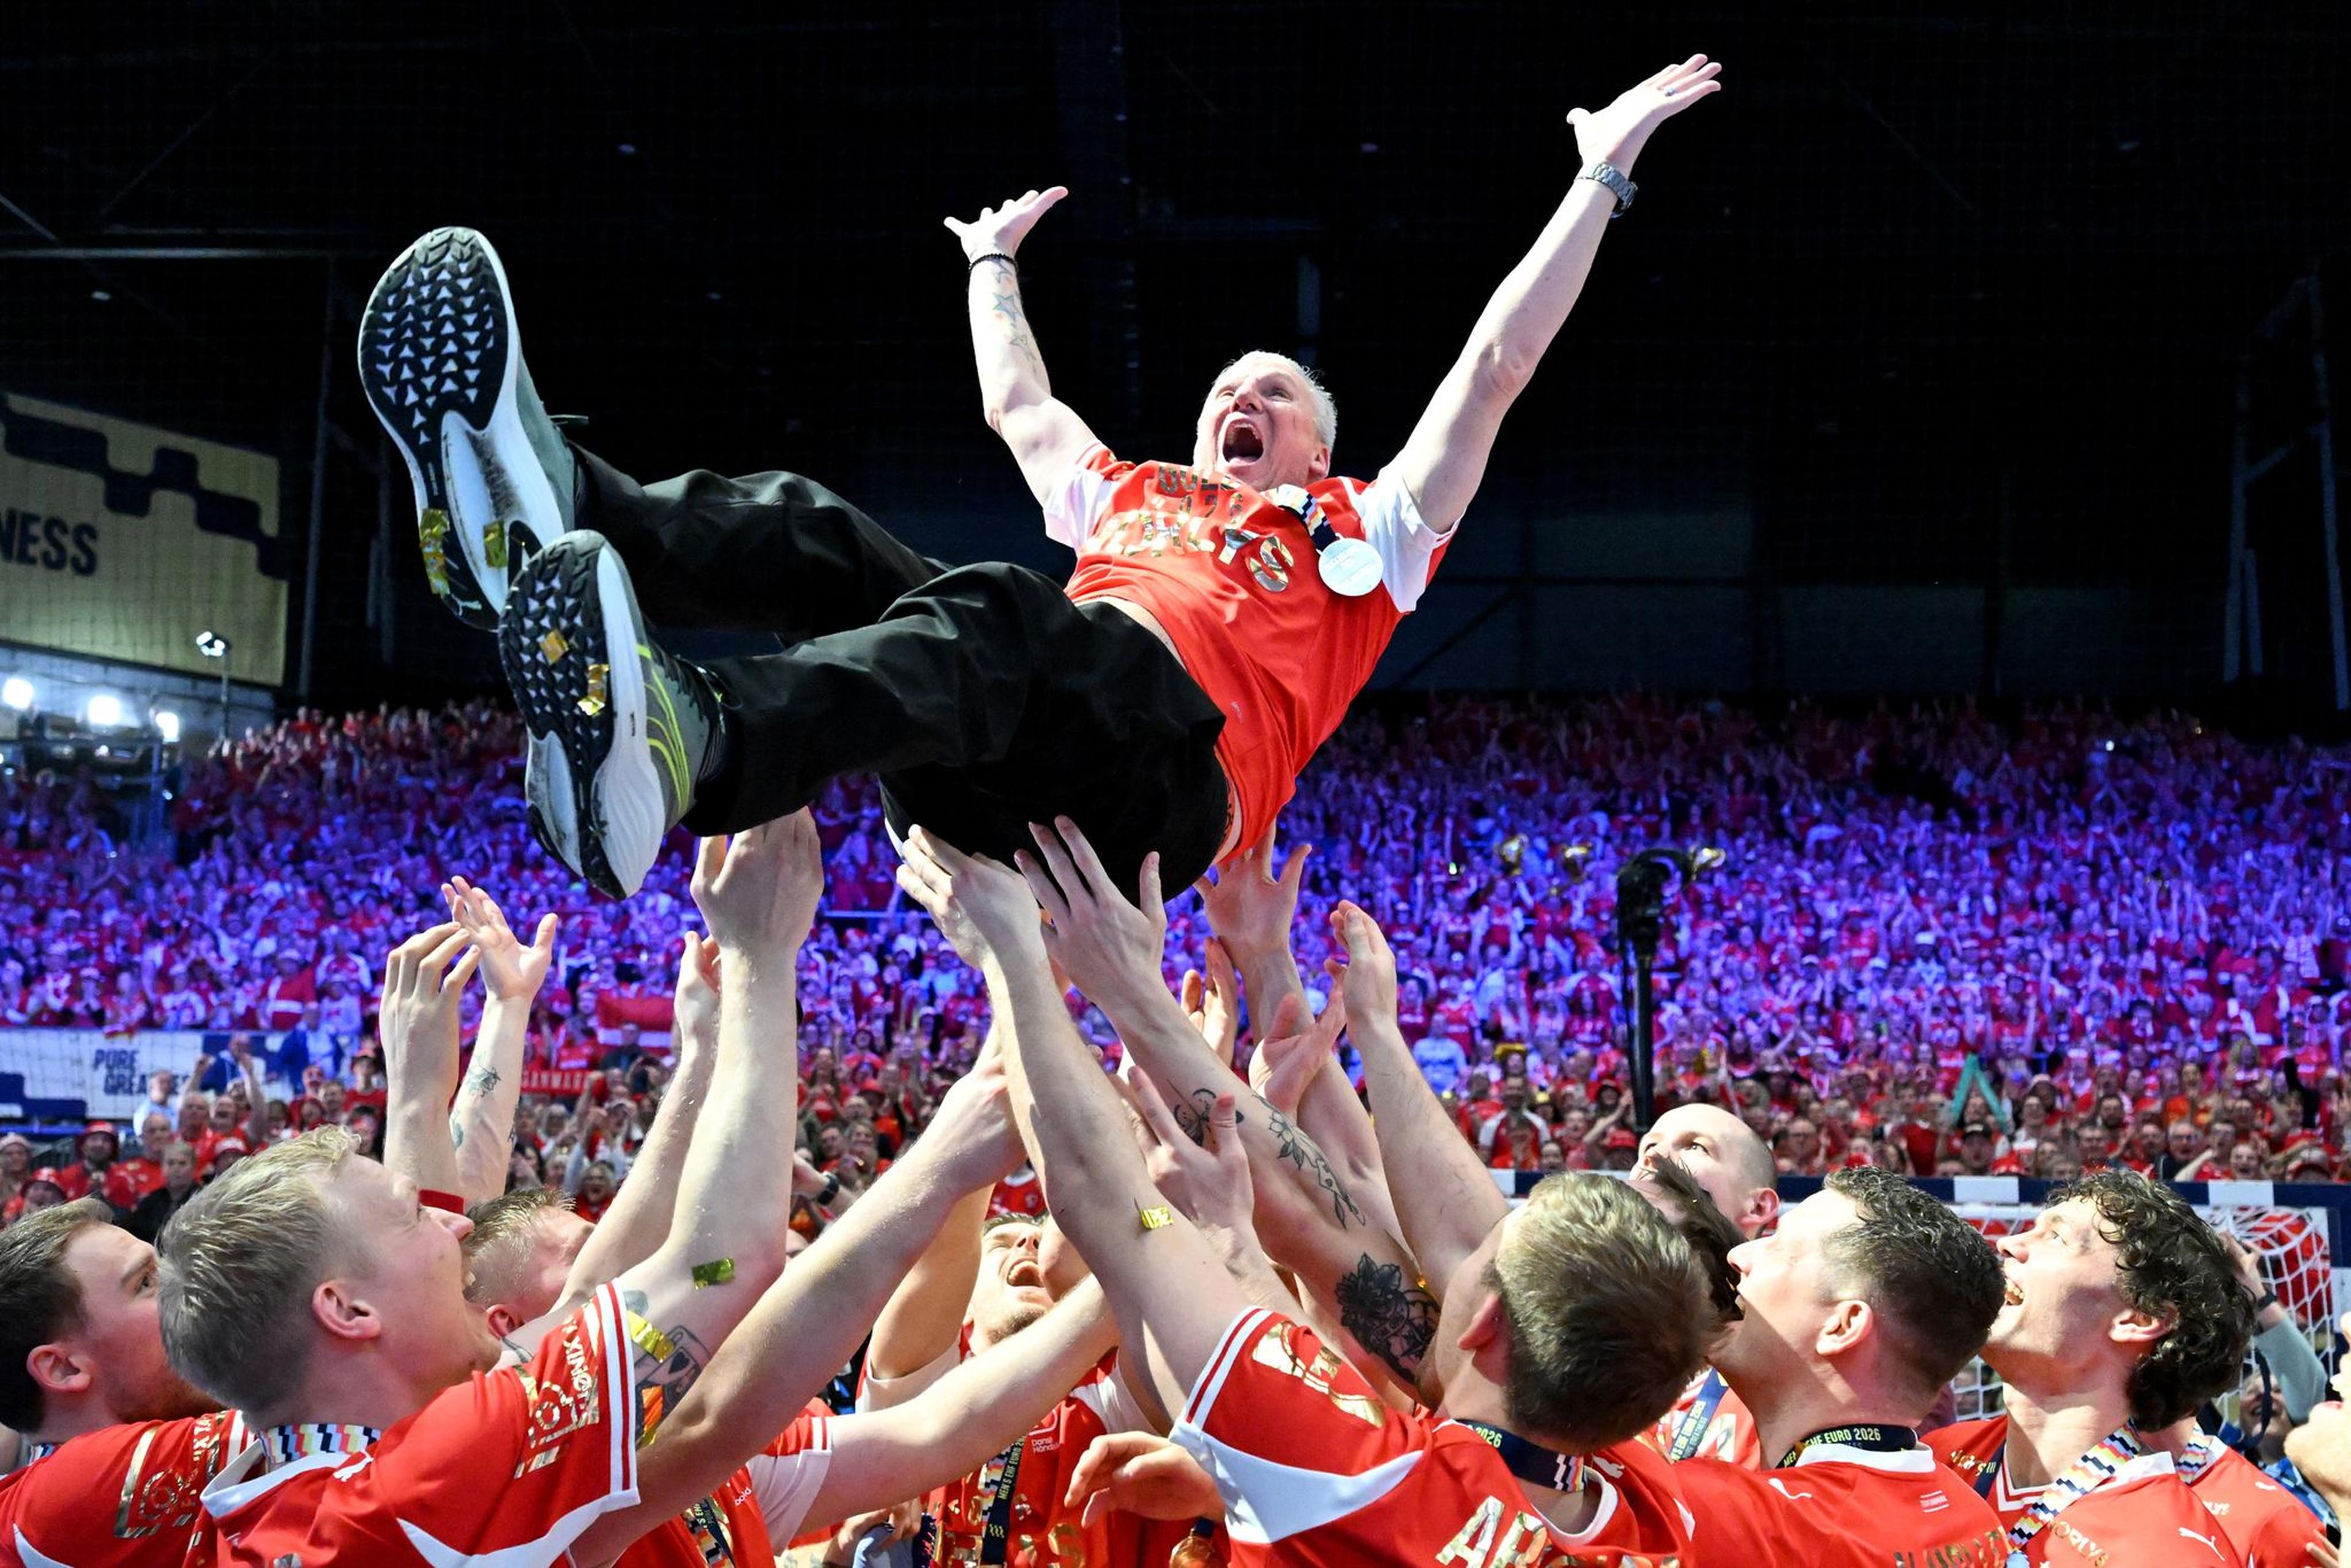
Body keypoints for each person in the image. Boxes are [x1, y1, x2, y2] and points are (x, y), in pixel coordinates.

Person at [356, 59, 1722, 901]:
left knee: (1005, 613)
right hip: (1008, 753)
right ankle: (554, 501)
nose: (1242, 400)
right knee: (822, 531)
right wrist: (988, 266)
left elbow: (1497, 362)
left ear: (1317, 446)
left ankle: (694, 744)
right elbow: (1019, 403)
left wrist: (1601, 174)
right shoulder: (1131, 493)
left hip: (1160, 801)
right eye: (1227, 390)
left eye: (1276, 395)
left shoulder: (1369, 530)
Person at [895, 823, 1721, 1564]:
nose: (1449, 1248)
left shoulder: (1350, 1472)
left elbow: (1112, 1206)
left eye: (1479, 1252)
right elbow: (1321, 1211)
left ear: (1485, 1323)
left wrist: (1021, 959)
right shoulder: (1642, 1498)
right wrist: (1269, 968)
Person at [1925, 1171, 2255, 1565]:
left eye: (2056, 1237)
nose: (2009, 1243)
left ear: (2138, 1318)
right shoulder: (1931, 1461)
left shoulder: (2167, 1553)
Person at [0, 1199, 238, 1567]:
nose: (189, 1289)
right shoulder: (72, 1486)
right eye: (146, 1282)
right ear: (62, 1368)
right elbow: (326, 1399)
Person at [1633, 1101, 1780, 1468]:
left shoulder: (1787, 1364)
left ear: (1759, 1208)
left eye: (1695, 1146)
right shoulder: (1579, 1333)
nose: (1654, 1157)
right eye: (1648, 1147)